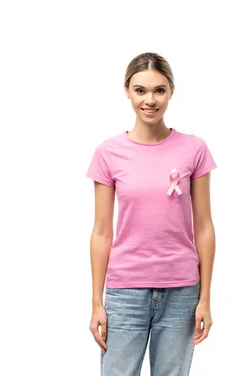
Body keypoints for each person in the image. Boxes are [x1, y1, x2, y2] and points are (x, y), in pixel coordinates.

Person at [86, 52, 217, 376]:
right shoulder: (109, 153)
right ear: (127, 91)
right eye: (140, 90)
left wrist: (205, 298)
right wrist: (96, 302)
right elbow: (102, 232)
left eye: (159, 90)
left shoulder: (194, 149)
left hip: (181, 291)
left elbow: (203, 226)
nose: (150, 100)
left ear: (171, 92)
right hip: (125, 292)